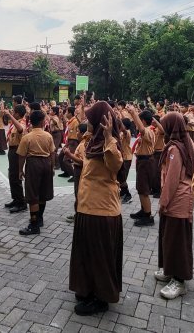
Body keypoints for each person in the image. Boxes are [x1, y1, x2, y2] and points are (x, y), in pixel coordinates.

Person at [69, 102, 124, 316]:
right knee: (87, 253)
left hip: (102, 211)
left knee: (99, 256)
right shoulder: (92, 143)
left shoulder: (110, 144)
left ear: (100, 123)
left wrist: (110, 137)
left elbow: (115, 165)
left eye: (90, 120)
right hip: (87, 206)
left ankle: (101, 298)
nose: (86, 123)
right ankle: (87, 288)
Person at [154, 112, 194, 300]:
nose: (161, 128)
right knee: (168, 237)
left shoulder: (175, 149)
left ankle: (179, 281)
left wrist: (163, 202)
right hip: (176, 199)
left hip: (177, 200)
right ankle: (169, 271)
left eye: (164, 125)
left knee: (177, 240)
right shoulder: (183, 142)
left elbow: (172, 179)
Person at [16, 109, 56, 236]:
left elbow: (21, 156)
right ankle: (39, 219)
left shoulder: (27, 137)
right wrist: (52, 167)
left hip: (33, 165)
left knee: (33, 195)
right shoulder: (48, 136)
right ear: (42, 122)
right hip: (46, 163)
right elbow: (52, 153)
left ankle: (34, 226)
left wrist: (20, 170)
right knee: (42, 193)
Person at [128, 107, 157, 226]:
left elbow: (141, 129)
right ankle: (143, 210)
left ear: (143, 121)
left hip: (146, 163)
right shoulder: (148, 130)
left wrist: (134, 113)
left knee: (144, 190)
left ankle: (148, 215)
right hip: (142, 162)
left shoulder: (148, 130)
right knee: (140, 188)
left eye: (139, 120)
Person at [4, 103, 27, 213]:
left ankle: (21, 202)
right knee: (12, 176)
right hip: (12, 150)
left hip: (17, 151)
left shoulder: (21, 122)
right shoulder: (15, 122)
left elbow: (21, 130)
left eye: (13, 112)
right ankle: (15, 199)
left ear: (17, 114)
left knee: (16, 177)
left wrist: (10, 116)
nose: (12, 113)